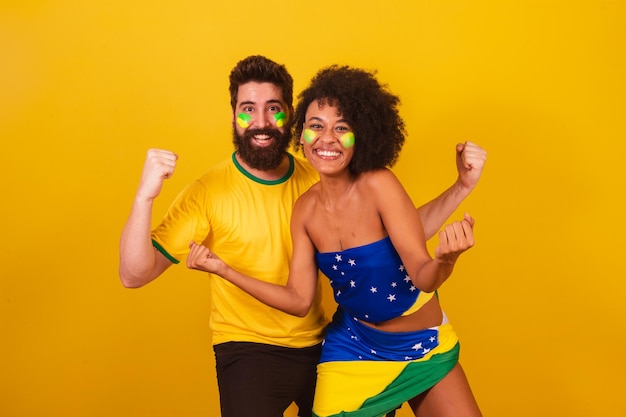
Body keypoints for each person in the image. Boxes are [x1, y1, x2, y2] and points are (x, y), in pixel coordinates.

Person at [119, 56, 486, 417]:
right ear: (233, 114)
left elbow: (401, 238)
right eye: (248, 109)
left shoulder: (336, 175)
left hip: (355, 341)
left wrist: (458, 196)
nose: (261, 122)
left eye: (273, 109)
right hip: (276, 350)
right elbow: (135, 274)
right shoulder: (222, 194)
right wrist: (145, 197)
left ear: (289, 116)